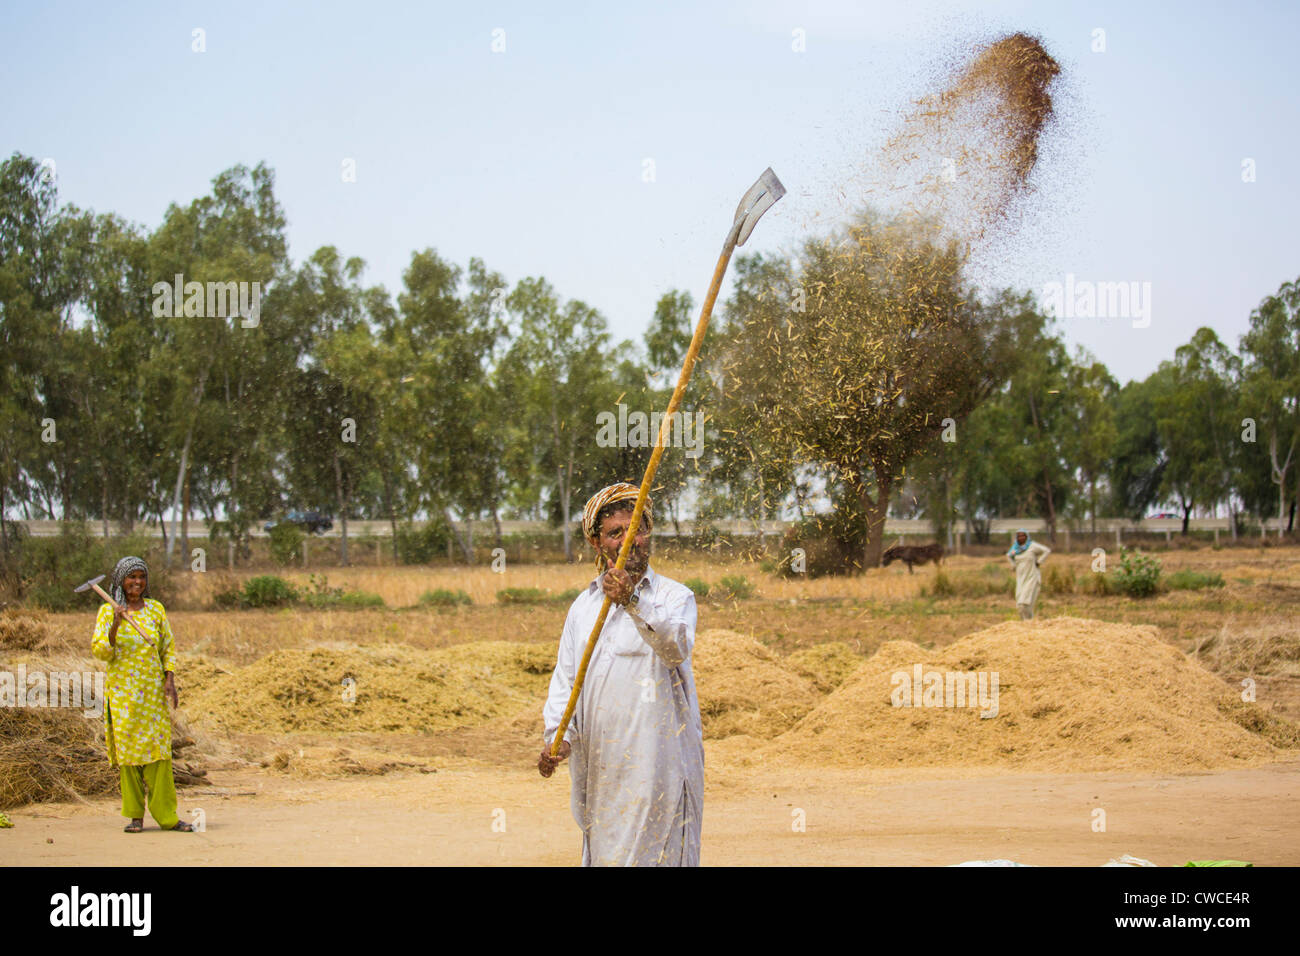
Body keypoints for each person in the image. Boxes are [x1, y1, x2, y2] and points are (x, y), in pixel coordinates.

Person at [539, 482, 703, 866]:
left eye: (637, 531)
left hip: (660, 769)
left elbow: (674, 647)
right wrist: (557, 736)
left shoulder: (674, 598)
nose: (630, 541)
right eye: (616, 534)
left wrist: (632, 599)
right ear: (597, 544)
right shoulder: (583, 607)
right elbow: (566, 680)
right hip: (602, 772)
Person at [91, 556, 192, 833]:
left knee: (159, 755)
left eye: (141, 577)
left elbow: (167, 647)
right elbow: (101, 651)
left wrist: (169, 678)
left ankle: (168, 817)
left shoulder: (156, 610)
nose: (137, 582)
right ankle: (135, 816)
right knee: (129, 756)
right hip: (123, 696)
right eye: (131, 577)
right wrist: (115, 623)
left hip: (151, 694)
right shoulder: (107, 611)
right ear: (120, 581)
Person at [1008, 529, 1051, 620]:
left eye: (1023, 536)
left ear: (1027, 537)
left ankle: (1029, 622)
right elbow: (1009, 556)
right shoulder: (1015, 549)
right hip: (1021, 578)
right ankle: (1025, 623)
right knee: (1019, 604)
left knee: (1025, 603)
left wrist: (1039, 562)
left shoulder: (1032, 546)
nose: (1021, 538)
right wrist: (1013, 566)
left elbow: (1046, 550)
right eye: (1019, 536)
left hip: (1031, 577)